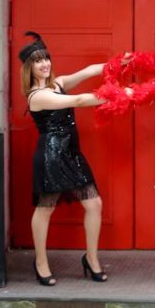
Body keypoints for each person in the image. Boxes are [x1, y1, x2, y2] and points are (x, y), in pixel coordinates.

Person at [18, 32, 108, 286]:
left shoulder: (57, 83)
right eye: (38, 61)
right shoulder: (38, 96)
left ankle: (91, 259)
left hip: (72, 154)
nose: (45, 63)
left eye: (46, 58)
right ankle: (40, 262)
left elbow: (88, 70)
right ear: (29, 68)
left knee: (94, 205)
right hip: (51, 157)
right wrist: (117, 95)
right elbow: (79, 100)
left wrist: (116, 64)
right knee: (45, 209)